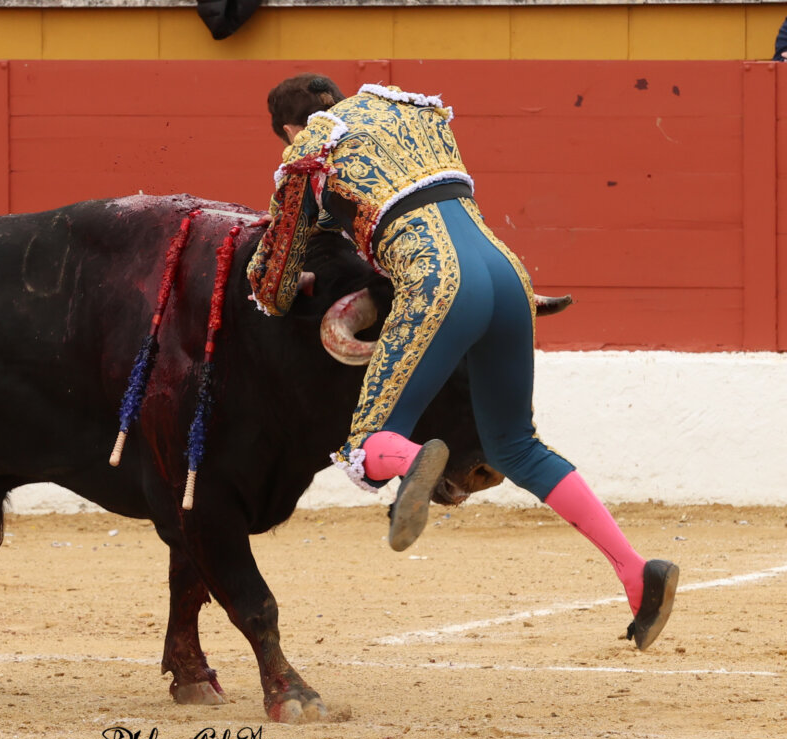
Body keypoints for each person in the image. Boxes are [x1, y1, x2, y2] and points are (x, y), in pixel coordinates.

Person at [246, 74, 678, 650]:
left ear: (288, 129)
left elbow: (271, 283)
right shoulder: (405, 109)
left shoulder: (308, 152)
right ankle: (635, 571)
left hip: (438, 279)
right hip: (507, 273)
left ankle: (414, 459)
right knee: (517, 445)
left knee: (368, 444)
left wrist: (290, 281)